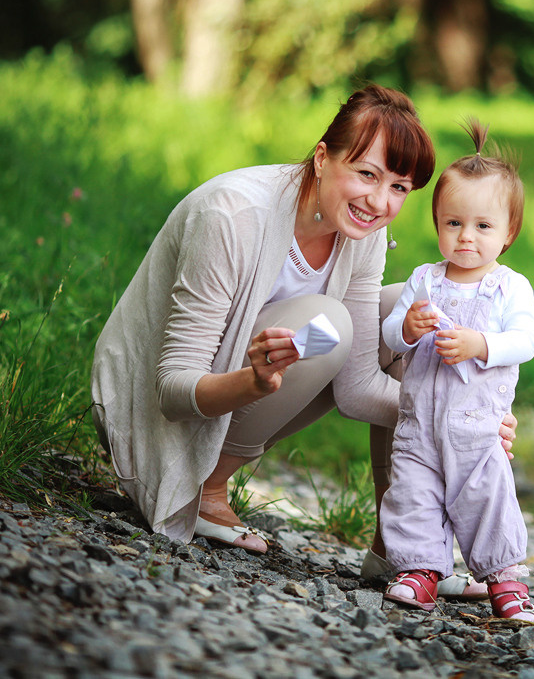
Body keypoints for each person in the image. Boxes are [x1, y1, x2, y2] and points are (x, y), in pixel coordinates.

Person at [89, 87, 512, 600]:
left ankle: (405, 550)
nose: (380, 203)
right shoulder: (233, 214)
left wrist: (470, 417)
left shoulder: (365, 232)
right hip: (153, 414)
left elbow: (357, 389)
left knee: (412, 314)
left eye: (400, 188)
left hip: (246, 392)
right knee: (327, 319)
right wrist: (251, 381)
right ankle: (207, 487)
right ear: (321, 157)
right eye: (366, 174)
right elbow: (171, 391)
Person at [377, 119, 534, 622]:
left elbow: (527, 341)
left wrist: (479, 344)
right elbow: (387, 339)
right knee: (412, 491)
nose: (466, 237)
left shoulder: (510, 288)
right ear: (438, 224)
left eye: (483, 226)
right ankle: (421, 570)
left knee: (487, 498)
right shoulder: (425, 280)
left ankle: (504, 579)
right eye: (453, 223)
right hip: (420, 424)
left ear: (508, 233)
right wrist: (407, 326)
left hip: (476, 428)